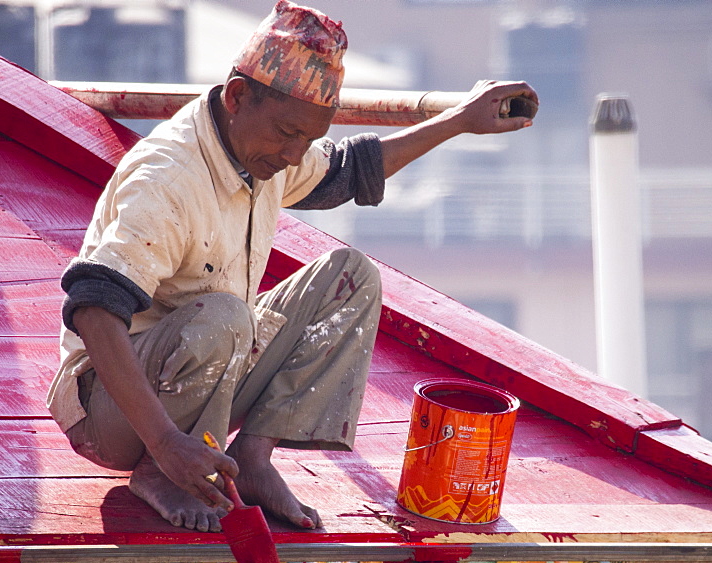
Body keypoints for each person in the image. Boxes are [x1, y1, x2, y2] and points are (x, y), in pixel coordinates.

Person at [46, 0, 538, 533]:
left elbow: (349, 171)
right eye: (287, 134)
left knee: (351, 277)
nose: (294, 154)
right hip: (115, 413)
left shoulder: (266, 147)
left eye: (308, 138)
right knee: (227, 317)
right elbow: (94, 312)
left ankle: (254, 459)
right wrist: (166, 445)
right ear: (237, 97)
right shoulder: (168, 177)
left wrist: (460, 121)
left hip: (207, 373)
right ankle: (163, 474)